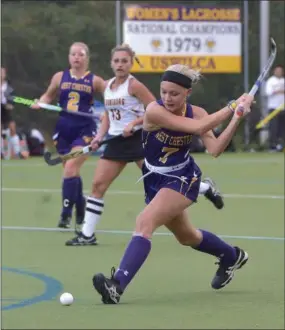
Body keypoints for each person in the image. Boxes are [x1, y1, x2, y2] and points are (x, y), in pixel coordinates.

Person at [91, 64, 254, 304]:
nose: (167, 97)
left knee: (144, 222)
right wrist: (232, 106)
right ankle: (231, 256)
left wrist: (237, 117)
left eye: (174, 93)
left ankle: (117, 286)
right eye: (163, 91)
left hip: (183, 178)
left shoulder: (197, 113)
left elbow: (215, 149)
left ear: (187, 93)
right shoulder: (155, 111)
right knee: (187, 236)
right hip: (154, 177)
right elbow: (198, 128)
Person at [65, 45, 224, 247]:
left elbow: (156, 110)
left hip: (141, 139)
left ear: (131, 63)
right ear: (111, 63)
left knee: (161, 183)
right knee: (98, 185)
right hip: (116, 141)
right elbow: (107, 114)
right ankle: (87, 235)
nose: (120, 65)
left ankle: (202, 188)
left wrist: (133, 123)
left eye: (124, 61)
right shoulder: (107, 86)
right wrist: (99, 136)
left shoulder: (135, 86)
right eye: (116, 61)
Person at [31, 42, 105, 229]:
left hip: (85, 130)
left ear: (87, 58)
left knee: (70, 168)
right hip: (64, 129)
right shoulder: (59, 77)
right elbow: (48, 96)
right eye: (73, 54)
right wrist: (40, 103)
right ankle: (80, 207)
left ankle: (65, 214)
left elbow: (111, 97)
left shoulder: (95, 81)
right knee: (71, 171)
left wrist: (108, 112)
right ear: (69, 57)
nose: (76, 58)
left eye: (80, 55)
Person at [1, 67, 22, 159]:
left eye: (2, 73)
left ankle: (17, 152)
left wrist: (10, 105)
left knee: (12, 129)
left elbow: (13, 99)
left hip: (6, 109)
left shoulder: (9, 87)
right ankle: (1, 153)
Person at [265, 64, 285, 151]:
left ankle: (281, 145)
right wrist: (277, 91)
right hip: (273, 108)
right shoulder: (270, 81)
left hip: (282, 108)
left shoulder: (284, 81)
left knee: (282, 128)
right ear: (274, 71)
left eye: (280, 71)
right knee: (274, 127)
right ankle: (272, 146)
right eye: (277, 71)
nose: (279, 72)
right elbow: (268, 92)